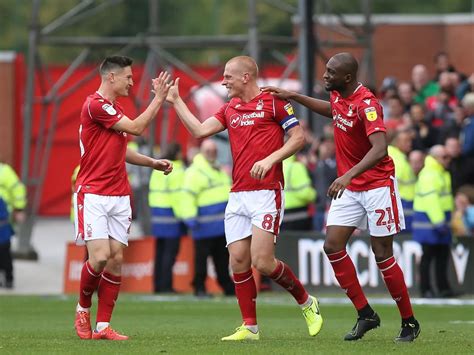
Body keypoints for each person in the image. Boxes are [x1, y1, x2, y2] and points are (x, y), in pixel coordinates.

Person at [263, 52, 420, 342]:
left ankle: (409, 321)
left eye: (330, 72)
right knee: (332, 246)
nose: (325, 76)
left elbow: (380, 148)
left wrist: (347, 175)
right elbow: (331, 110)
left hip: (376, 186)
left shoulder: (368, 104)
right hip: (350, 187)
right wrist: (293, 96)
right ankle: (366, 314)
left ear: (347, 77)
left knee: (382, 253)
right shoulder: (339, 96)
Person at [166, 55, 323, 341]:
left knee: (262, 262)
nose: (224, 81)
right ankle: (250, 327)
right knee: (237, 261)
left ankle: (306, 302)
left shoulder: (273, 102)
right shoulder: (230, 108)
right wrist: (176, 101)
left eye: (228, 76)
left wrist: (271, 159)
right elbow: (200, 130)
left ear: (246, 77)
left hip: (267, 192)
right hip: (238, 194)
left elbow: (299, 138)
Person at [73, 55, 173, 341]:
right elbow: (137, 128)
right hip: (93, 192)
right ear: (111, 77)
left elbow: (122, 149)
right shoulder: (95, 105)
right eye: (128, 77)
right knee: (101, 257)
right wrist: (160, 98)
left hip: (119, 194)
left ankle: (103, 327)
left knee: (116, 260)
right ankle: (82, 309)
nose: (132, 82)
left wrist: (152, 162)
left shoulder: (113, 109)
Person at [179, 139, 235, 297]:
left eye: (214, 150)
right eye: (208, 151)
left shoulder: (217, 169)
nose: (212, 153)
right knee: (201, 259)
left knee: (222, 259)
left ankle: (226, 286)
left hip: (220, 224)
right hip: (203, 224)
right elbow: (187, 196)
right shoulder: (195, 172)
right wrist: (190, 217)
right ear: (202, 152)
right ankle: (199, 287)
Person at [413, 145, 455, 298]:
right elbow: (431, 200)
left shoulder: (439, 172)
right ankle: (426, 289)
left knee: (441, 257)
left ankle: (443, 288)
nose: (448, 160)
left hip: (438, 220)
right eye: (444, 157)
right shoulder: (430, 174)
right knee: (428, 256)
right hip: (430, 222)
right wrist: (439, 222)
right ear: (435, 157)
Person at [148, 142, 186, 293]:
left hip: (157, 216)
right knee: (170, 254)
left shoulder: (157, 168)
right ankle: (166, 286)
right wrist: (183, 217)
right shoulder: (177, 169)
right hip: (171, 217)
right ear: (177, 153)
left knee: (160, 252)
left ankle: (157, 285)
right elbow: (178, 196)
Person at [0, 162, 27, 289]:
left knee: (4, 250)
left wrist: (19, 208)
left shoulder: (4, 171)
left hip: (3, 218)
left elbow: (18, 189)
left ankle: (8, 278)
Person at [388, 130, 416, 232]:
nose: (410, 144)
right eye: (406, 141)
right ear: (396, 142)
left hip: (403, 203)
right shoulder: (397, 160)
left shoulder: (397, 156)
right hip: (402, 204)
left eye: (410, 141)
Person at [281, 153, 317, 231]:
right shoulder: (296, 166)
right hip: (299, 215)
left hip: (281, 214)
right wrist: (315, 196)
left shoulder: (276, 166)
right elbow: (306, 193)